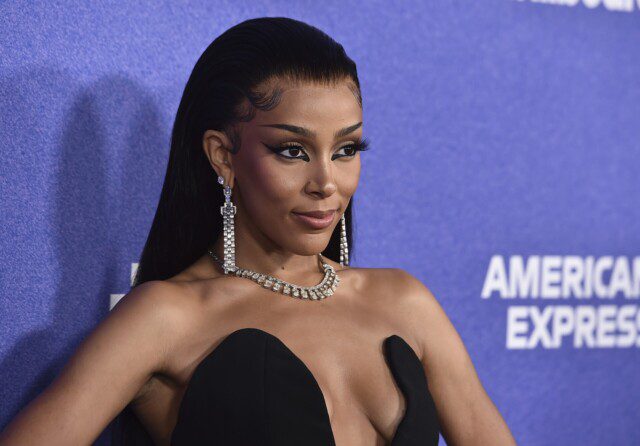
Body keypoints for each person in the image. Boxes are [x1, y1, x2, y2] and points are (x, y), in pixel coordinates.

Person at [0, 17, 516, 446]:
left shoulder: (406, 303)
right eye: (292, 151)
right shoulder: (166, 317)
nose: (326, 183)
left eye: (346, 150)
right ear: (223, 156)